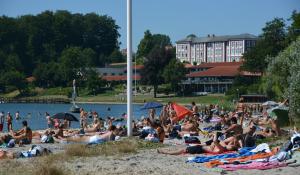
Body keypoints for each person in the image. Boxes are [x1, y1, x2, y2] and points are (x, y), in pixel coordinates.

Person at [158, 133, 241, 155]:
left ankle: (165, 152)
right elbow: (216, 142)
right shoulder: (223, 148)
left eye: (231, 145)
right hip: (201, 149)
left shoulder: (222, 148)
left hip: (200, 149)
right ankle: (166, 151)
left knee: (182, 150)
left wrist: (215, 134)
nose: (230, 144)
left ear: (230, 148)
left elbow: (215, 141)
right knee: (182, 150)